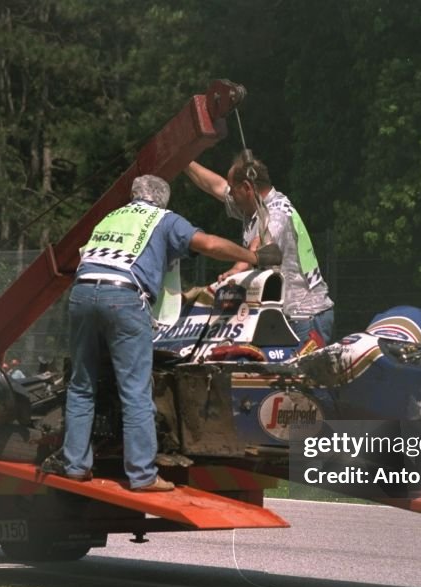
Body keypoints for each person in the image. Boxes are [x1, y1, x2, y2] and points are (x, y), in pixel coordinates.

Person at [45, 175, 264, 492]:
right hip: (124, 298)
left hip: (82, 294)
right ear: (162, 199)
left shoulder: (110, 218)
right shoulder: (164, 219)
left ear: (133, 195)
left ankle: (76, 467)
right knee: (134, 388)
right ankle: (142, 476)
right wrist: (253, 257)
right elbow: (210, 244)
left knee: (81, 385)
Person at [185, 153, 335, 345]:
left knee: (303, 375)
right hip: (286, 315)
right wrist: (184, 162)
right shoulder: (251, 206)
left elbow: (260, 243)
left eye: (233, 190)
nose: (230, 195)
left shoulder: (277, 211)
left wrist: (235, 270)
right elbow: (215, 186)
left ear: (247, 188)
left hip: (306, 317)